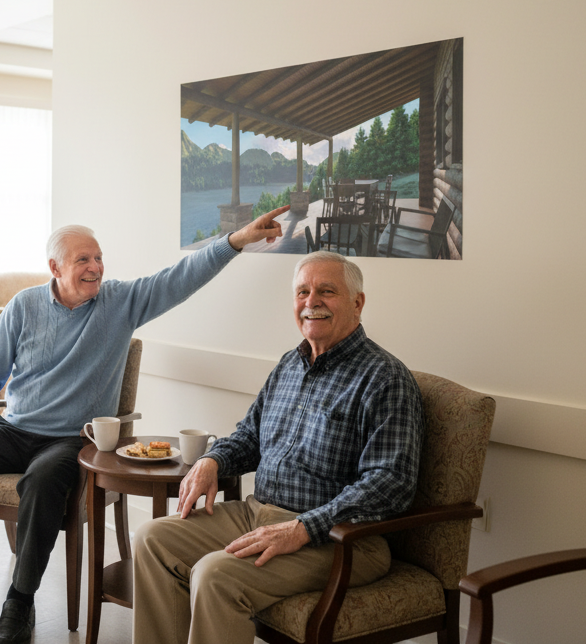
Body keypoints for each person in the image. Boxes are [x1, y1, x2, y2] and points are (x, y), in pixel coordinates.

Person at [0, 207, 289, 644]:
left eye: (98, 258)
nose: (95, 268)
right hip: (14, 429)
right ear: (55, 268)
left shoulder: (119, 303)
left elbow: (181, 276)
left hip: (72, 439)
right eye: (82, 260)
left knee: (40, 482)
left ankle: (20, 600)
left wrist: (236, 240)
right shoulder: (23, 306)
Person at [131, 250, 424, 644]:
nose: (311, 301)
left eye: (327, 291)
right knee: (151, 540)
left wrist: (304, 527)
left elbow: (391, 483)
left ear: (358, 303)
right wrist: (211, 460)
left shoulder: (384, 378)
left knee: (215, 575)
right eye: (302, 292)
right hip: (258, 514)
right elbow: (249, 435)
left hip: (340, 539)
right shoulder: (290, 364)